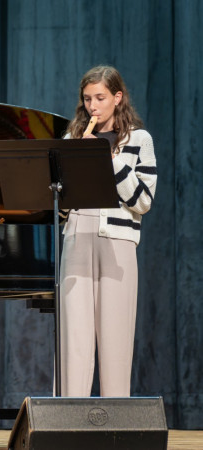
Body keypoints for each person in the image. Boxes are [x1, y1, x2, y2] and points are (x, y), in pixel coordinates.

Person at [59, 66, 157, 397]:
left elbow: (142, 202)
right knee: (73, 339)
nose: (93, 106)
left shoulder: (139, 140)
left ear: (117, 97)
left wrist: (108, 159)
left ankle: (115, 420)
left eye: (100, 98)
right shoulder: (72, 140)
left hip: (118, 243)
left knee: (116, 340)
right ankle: (69, 418)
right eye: (87, 99)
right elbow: (60, 206)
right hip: (77, 238)